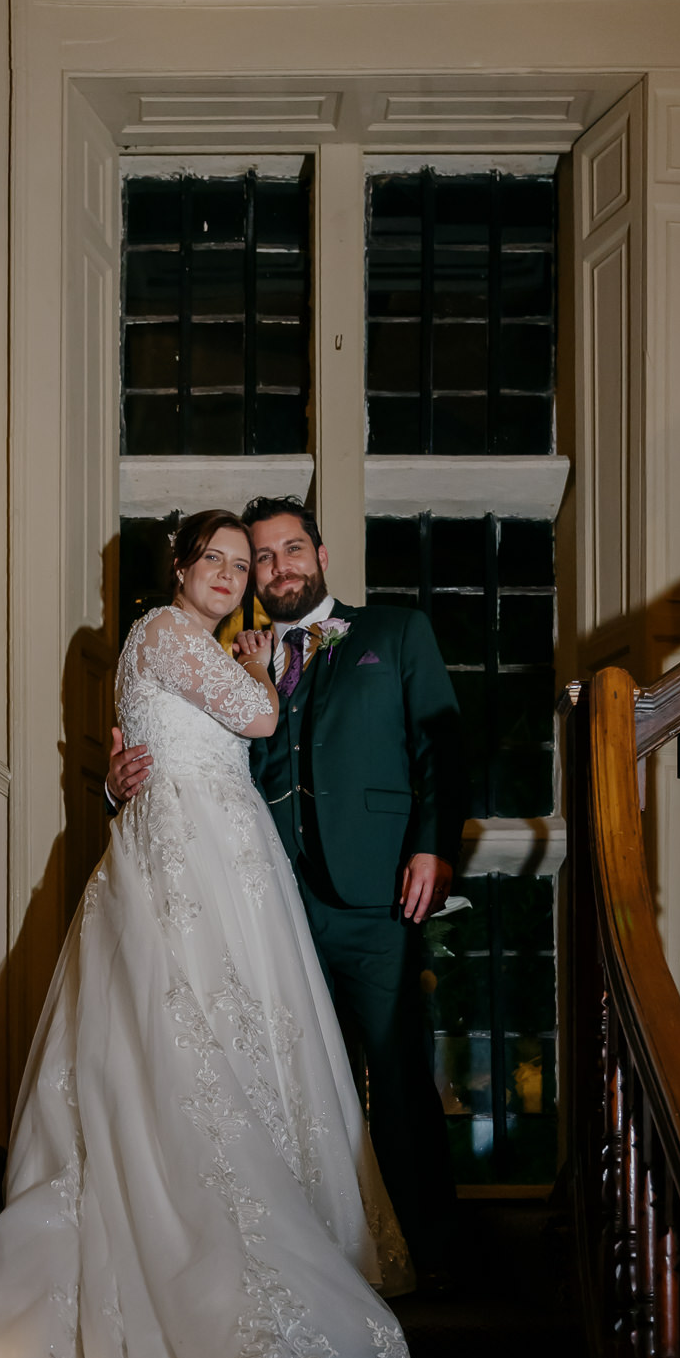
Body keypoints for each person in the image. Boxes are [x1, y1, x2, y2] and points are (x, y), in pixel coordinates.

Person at [0, 510, 424, 1358]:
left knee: (242, 1045)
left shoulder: (186, 645)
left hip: (225, 854)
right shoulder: (164, 632)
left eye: (249, 565)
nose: (236, 577)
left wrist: (131, 769)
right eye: (220, 563)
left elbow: (176, 740)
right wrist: (248, 666)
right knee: (185, 1046)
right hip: (189, 856)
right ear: (181, 571)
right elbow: (256, 710)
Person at [108, 497, 464, 1286]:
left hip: (376, 896)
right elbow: (191, 756)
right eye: (255, 559)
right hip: (269, 904)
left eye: (286, 551)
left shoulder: (393, 635)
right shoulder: (226, 653)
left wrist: (433, 845)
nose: (273, 570)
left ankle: (435, 1266)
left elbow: (441, 743)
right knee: (292, 1089)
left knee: (399, 1080)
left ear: (322, 554)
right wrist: (116, 787)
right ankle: (313, 1263)